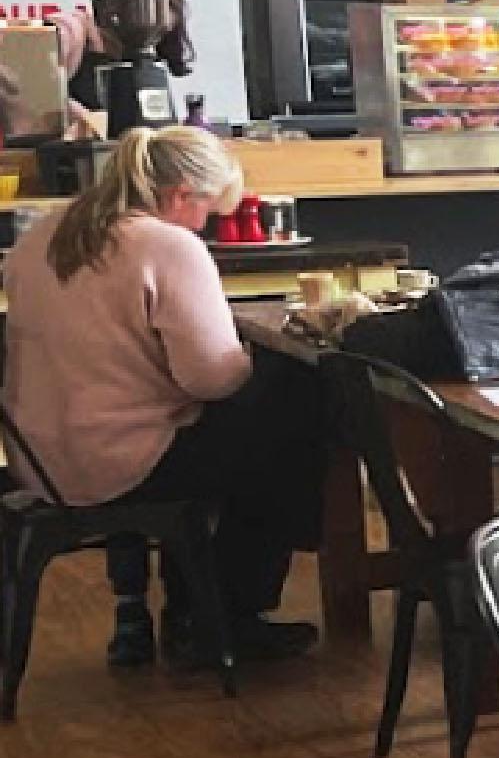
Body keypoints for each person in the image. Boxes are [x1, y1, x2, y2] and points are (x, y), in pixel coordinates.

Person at [0, 124, 326, 666]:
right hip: (123, 459)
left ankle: (186, 608)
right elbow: (212, 380)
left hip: (42, 456)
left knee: (230, 433)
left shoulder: (45, 233)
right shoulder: (167, 246)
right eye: (210, 211)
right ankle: (226, 616)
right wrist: (253, 355)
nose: (211, 224)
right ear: (180, 196)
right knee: (291, 414)